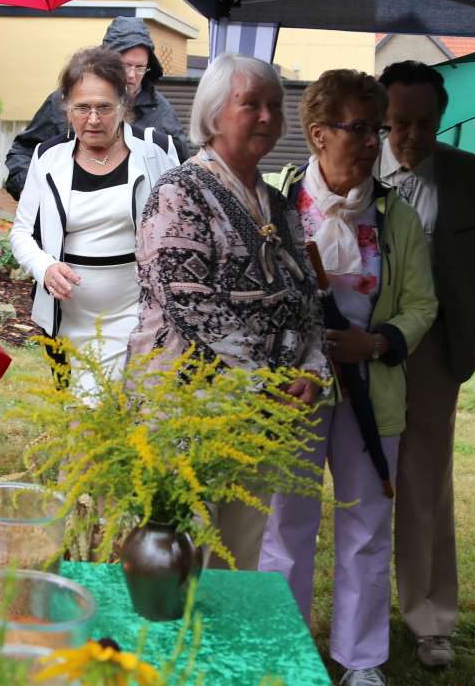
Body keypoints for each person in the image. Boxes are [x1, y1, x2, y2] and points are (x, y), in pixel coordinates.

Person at [258, 69, 437, 686]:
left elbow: (421, 305)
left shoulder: (397, 217)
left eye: (376, 130)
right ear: (316, 133)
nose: (371, 142)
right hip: (294, 393)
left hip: (373, 393)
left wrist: (377, 342)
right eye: (357, 128)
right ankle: (283, 651)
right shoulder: (276, 206)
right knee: (286, 525)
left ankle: (361, 662)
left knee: (365, 527)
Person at [130, 52, 328, 569]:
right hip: (185, 407)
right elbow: (190, 302)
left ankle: (217, 649)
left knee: (237, 554)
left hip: (258, 415)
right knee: (176, 553)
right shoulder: (179, 192)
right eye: (251, 104)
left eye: (274, 106)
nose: (266, 116)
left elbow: (307, 298)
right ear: (215, 114)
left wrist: (311, 369)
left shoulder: (279, 204)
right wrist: (268, 380)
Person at [376, 60, 475, 670]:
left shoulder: (465, 175)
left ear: (442, 118)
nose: (412, 136)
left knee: (427, 485)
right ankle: (362, 608)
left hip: (431, 354)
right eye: (400, 122)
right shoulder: (356, 164)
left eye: (425, 122)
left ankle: (430, 617)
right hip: (365, 352)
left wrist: (465, 340)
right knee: (365, 481)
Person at [10, 46, 179, 395]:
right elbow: (22, 232)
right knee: (80, 419)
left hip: (137, 313)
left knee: (106, 413)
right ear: (66, 106)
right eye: (81, 107)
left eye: (104, 107)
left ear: (124, 103)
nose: (92, 119)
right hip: (65, 318)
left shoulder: (156, 151)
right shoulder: (47, 157)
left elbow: (182, 229)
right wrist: (44, 267)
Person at [4, 15, 190, 200]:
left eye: (140, 67)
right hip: (67, 214)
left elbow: (179, 171)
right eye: (125, 65)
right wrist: (33, 195)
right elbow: (23, 152)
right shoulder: (64, 100)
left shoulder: (161, 112)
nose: (132, 75)